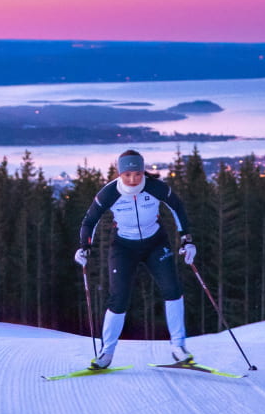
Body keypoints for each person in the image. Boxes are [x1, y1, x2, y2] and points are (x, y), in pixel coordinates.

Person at [75, 149, 197, 369]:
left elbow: (177, 208)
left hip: (156, 243)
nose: (133, 179)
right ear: (119, 173)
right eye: (127, 175)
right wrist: (84, 247)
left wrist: (187, 241)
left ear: (143, 172)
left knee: (173, 289)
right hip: (124, 247)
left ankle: (178, 348)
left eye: (138, 174)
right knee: (118, 299)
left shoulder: (156, 188)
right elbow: (89, 221)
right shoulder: (109, 193)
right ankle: (106, 353)